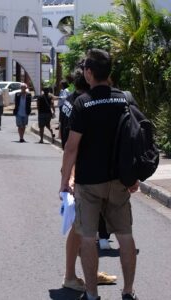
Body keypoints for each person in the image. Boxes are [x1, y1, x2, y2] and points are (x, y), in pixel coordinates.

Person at [60, 49, 140, 300]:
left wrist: (65, 182)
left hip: (89, 182)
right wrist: (134, 174)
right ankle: (128, 291)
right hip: (119, 180)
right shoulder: (124, 99)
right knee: (125, 235)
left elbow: (71, 147)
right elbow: (136, 138)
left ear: (89, 72)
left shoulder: (83, 103)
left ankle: (92, 295)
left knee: (87, 236)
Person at [59, 68, 117, 293]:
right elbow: (71, 145)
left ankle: (87, 273)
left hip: (77, 170)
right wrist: (71, 177)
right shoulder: (80, 104)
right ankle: (71, 275)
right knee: (79, 227)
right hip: (79, 172)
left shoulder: (72, 102)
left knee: (85, 227)